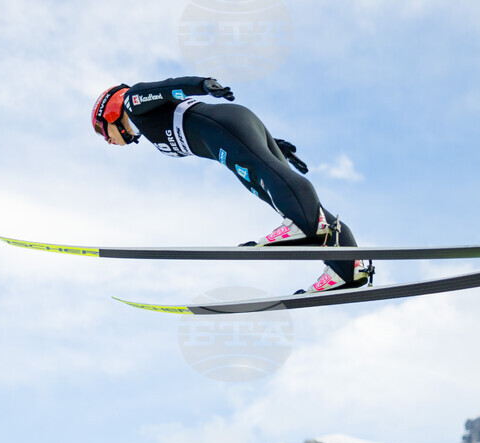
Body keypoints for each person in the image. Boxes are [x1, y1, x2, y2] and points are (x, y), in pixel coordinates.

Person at [91, 76, 373, 293]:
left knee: (274, 185)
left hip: (225, 129)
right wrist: (277, 146)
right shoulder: (145, 123)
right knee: (274, 192)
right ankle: (347, 267)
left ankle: (307, 227)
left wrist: (202, 85)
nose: (107, 140)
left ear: (110, 110)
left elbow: (169, 88)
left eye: (103, 130)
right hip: (231, 131)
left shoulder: (133, 102)